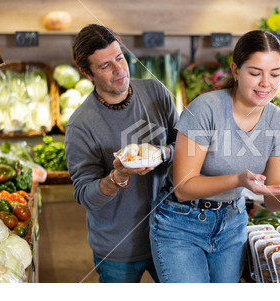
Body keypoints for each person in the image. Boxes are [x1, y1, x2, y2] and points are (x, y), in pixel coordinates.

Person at [150, 30, 280, 283]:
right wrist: (239, 180)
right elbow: (184, 187)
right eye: (255, 73)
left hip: (232, 224)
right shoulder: (205, 110)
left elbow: (275, 200)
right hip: (180, 223)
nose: (266, 83)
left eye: (275, 74)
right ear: (235, 70)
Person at [65, 24, 179, 283]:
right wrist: (117, 176)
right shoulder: (81, 125)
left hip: (169, 234)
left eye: (120, 58)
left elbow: (186, 146)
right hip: (117, 247)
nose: (119, 70)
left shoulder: (156, 92)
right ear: (87, 73)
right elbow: (85, 195)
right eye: (105, 66)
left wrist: (162, 153)